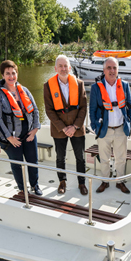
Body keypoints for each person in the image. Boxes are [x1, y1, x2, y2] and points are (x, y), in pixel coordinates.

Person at [0, 60, 42, 196]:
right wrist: (9, 138)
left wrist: (35, 129)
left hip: (29, 134)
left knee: (33, 162)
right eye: (8, 73)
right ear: (2, 75)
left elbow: (35, 110)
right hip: (12, 137)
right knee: (17, 164)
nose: (11, 76)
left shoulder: (24, 90)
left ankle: (35, 185)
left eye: (13, 73)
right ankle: (22, 189)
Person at [43, 54, 88, 195]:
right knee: (60, 157)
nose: (63, 68)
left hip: (77, 128)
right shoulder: (48, 86)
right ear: (56, 68)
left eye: (65, 66)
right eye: (60, 66)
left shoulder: (79, 84)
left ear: (69, 67)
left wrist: (74, 127)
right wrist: (63, 127)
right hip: (59, 129)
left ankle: (82, 183)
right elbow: (49, 110)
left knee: (80, 157)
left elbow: (83, 107)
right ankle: (62, 182)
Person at [89, 57, 131, 194]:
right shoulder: (96, 88)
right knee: (104, 159)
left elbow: (130, 108)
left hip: (120, 129)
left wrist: (129, 124)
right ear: (104, 70)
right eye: (109, 68)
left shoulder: (125, 85)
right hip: (104, 130)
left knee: (121, 158)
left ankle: (120, 182)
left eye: (114, 68)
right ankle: (105, 181)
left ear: (118, 70)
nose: (112, 70)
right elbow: (92, 110)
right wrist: (95, 127)